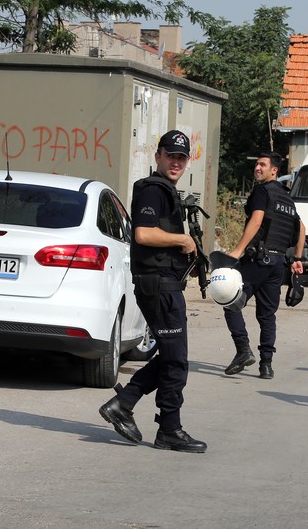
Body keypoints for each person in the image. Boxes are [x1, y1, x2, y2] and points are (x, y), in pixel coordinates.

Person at [98, 130, 206, 453]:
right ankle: (169, 429)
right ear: (157, 156)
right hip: (156, 284)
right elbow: (143, 234)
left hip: (164, 282)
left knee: (175, 357)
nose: (175, 162)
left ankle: (125, 404)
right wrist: (182, 240)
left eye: (181, 158)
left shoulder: (166, 191)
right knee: (177, 360)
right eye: (170, 155)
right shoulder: (151, 191)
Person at [221, 152, 305, 379]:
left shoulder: (262, 191)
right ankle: (266, 365)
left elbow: (256, 220)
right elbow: (302, 229)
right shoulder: (287, 198)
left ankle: (243, 350)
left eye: (262, 165)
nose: (257, 168)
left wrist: (237, 251)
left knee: (230, 300)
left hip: (258, 260)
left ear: (274, 170)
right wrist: (297, 259)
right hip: (278, 264)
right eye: (257, 164)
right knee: (267, 316)